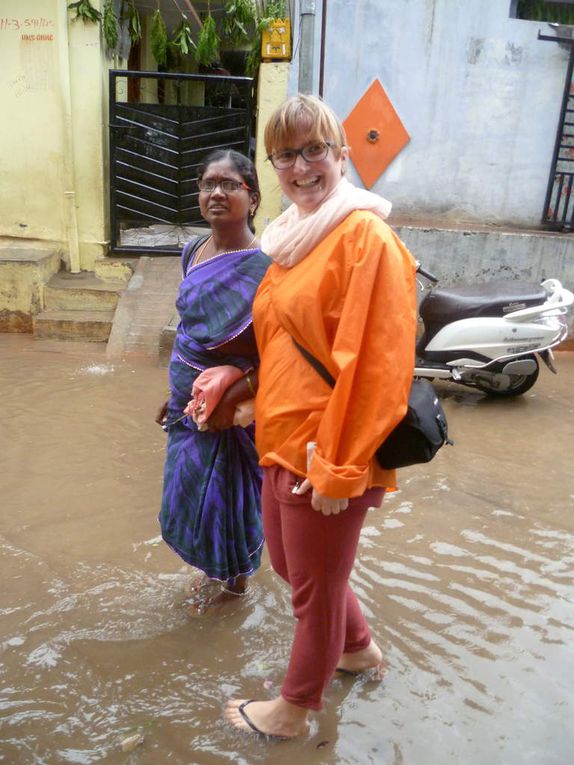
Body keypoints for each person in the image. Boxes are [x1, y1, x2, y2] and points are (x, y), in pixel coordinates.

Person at [224, 95, 417, 738]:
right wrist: (239, 385)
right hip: (280, 438)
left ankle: (293, 711)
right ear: (273, 167)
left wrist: (341, 468)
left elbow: (377, 366)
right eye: (286, 155)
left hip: (327, 453)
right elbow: (282, 342)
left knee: (314, 591)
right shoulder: (290, 243)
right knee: (295, 570)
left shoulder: (366, 238)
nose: (302, 166)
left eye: (314, 150)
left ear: (340, 154)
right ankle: (360, 651)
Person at [156, 149, 270, 611]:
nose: (216, 193)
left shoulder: (266, 267)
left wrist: (235, 387)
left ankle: (236, 583)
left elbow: (276, 351)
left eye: (229, 184)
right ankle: (210, 570)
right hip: (189, 404)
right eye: (207, 184)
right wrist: (174, 393)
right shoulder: (192, 252)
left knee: (228, 494)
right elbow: (191, 330)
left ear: (253, 197)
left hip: (232, 405)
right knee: (188, 493)